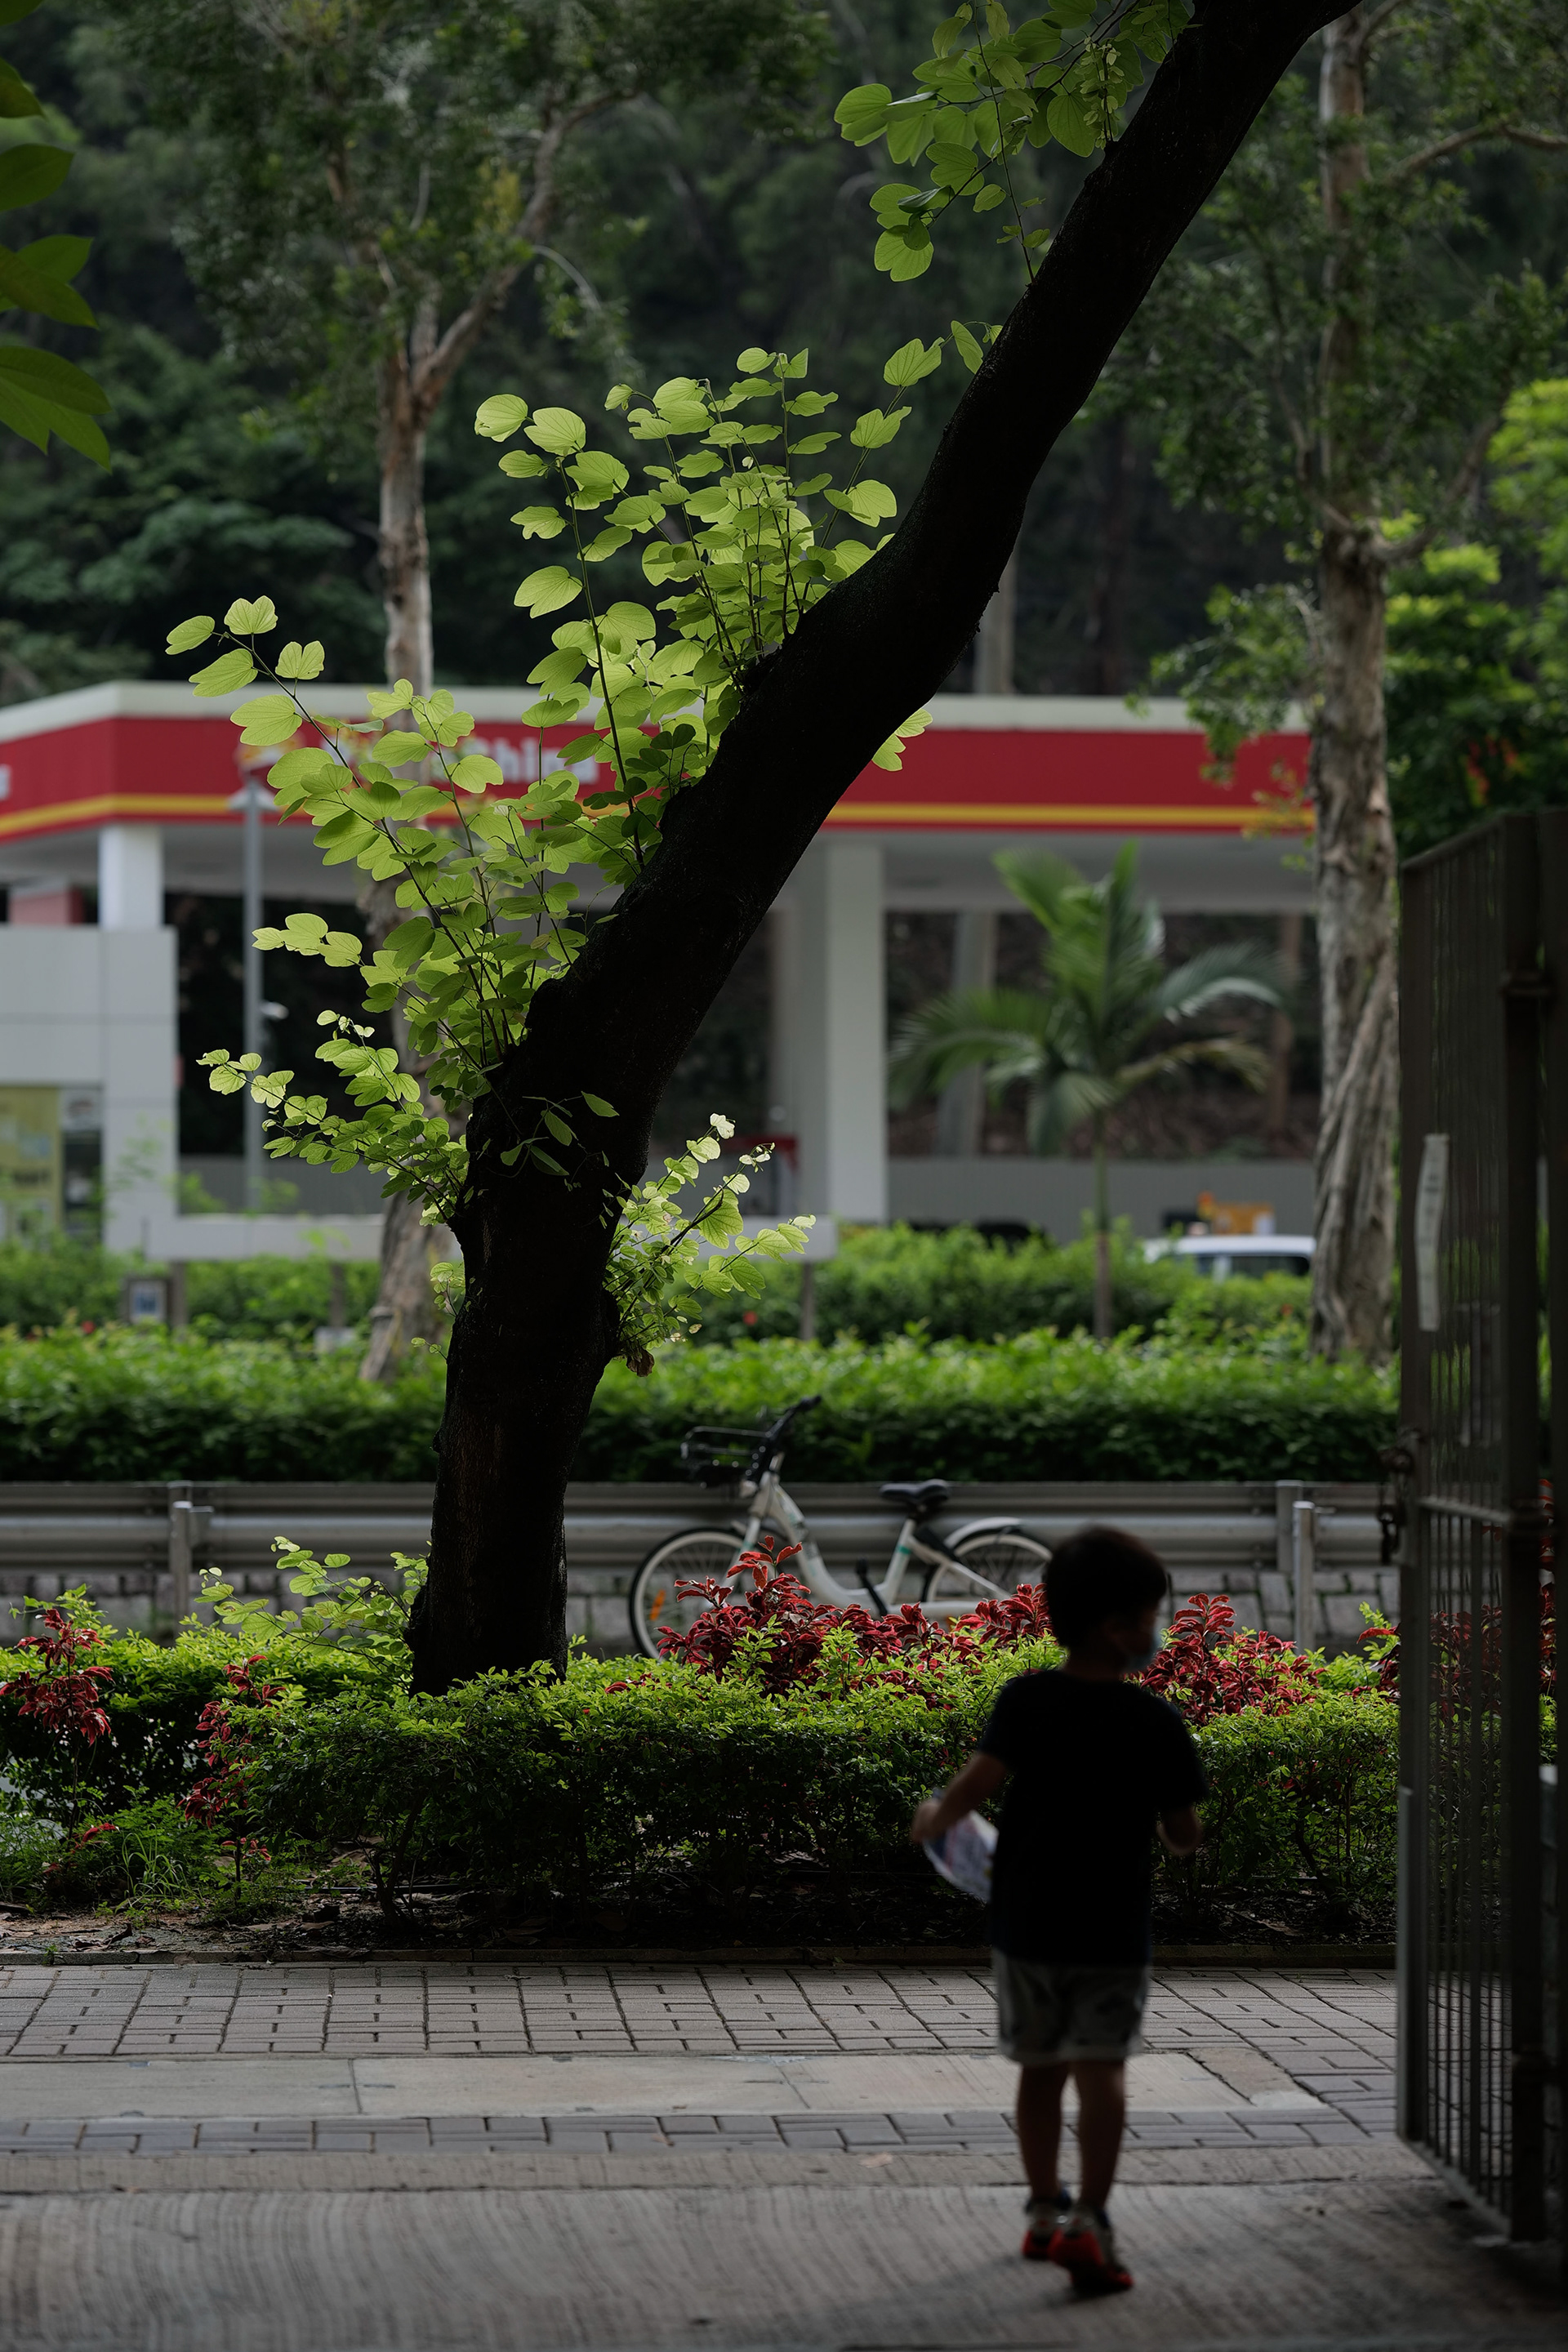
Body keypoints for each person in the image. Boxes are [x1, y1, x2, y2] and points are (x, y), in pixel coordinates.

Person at [911, 1525, 1205, 2296]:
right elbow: (1182, 1834)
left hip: (1027, 1925)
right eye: (1149, 1615)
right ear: (1117, 1626)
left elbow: (975, 1784)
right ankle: (1092, 2222)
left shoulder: (1026, 1698)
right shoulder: (1156, 1724)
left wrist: (935, 1822)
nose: (1155, 1630)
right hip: (1110, 1931)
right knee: (1100, 2069)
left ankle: (1044, 2211)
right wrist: (1185, 1834)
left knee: (1038, 2070)